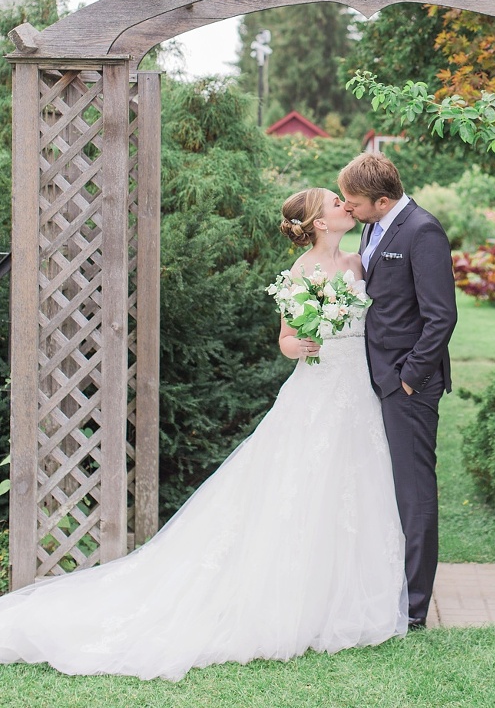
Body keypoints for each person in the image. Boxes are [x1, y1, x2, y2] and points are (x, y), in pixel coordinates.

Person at [0, 188, 407, 681]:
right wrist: (296, 345)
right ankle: (293, 598)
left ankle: (347, 596)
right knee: (300, 488)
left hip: (356, 392)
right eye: (335, 202)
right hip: (318, 389)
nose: (346, 204)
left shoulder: (360, 263)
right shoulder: (301, 273)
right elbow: (285, 338)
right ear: (319, 223)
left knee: (353, 488)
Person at [338, 153, 457, 630]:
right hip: (373, 375)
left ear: (382, 200)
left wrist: (410, 377)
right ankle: (388, 588)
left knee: (414, 493)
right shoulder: (373, 225)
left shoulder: (422, 231)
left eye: (353, 203)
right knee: (384, 488)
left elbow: (440, 317)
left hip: (409, 384)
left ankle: (413, 610)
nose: (348, 210)